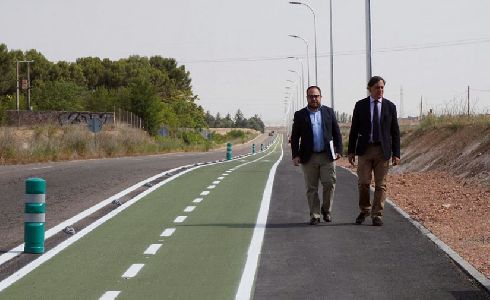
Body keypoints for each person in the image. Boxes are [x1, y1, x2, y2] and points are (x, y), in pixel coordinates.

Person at [347, 76, 400, 226]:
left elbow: (395, 131)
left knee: (381, 184)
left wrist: (396, 153)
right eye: (377, 87)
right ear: (369, 89)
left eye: (382, 87)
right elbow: (354, 129)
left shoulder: (390, 107)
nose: (380, 90)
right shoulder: (360, 105)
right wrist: (351, 151)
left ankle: (377, 214)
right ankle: (365, 209)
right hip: (365, 150)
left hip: (382, 151)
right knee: (363, 182)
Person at [290, 86, 343, 225]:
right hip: (309, 157)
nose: (314, 98)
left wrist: (339, 150)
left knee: (329, 183)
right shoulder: (300, 115)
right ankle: (315, 215)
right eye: (311, 96)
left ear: (320, 97)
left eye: (316, 96)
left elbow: (336, 133)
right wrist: (295, 155)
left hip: (327, 156)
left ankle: (326, 210)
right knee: (311, 188)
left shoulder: (328, 112)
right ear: (307, 98)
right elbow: (295, 137)